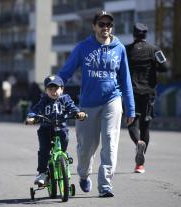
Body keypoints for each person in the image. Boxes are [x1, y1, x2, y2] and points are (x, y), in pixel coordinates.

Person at [57, 10, 135, 197]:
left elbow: (125, 80)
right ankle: (84, 175)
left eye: (108, 24)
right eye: (101, 24)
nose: (105, 28)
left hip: (112, 100)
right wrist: (55, 86)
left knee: (110, 141)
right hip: (88, 104)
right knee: (86, 147)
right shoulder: (83, 47)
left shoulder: (119, 48)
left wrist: (130, 108)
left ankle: (105, 185)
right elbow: (66, 71)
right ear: (94, 26)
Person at [26, 75, 87, 185]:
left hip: (61, 127)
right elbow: (36, 110)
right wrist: (31, 117)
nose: (53, 92)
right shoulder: (44, 100)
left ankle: (62, 157)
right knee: (44, 150)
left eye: (56, 89)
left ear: (62, 89)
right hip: (46, 129)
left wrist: (78, 113)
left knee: (64, 142)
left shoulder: (65, 99)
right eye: (50, 89)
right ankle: (42, 173)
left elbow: (72, 107)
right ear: (46, 90)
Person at [126, 23, 168, 174]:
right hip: (149, 92)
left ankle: (138, 143)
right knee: (145, 126)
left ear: (134, 34)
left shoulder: (127, 50)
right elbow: (165, 67)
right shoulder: (154, 49)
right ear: (146, 35)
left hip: (131, 93)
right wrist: (152, 66)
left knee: (132, 123)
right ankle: (140, 165)